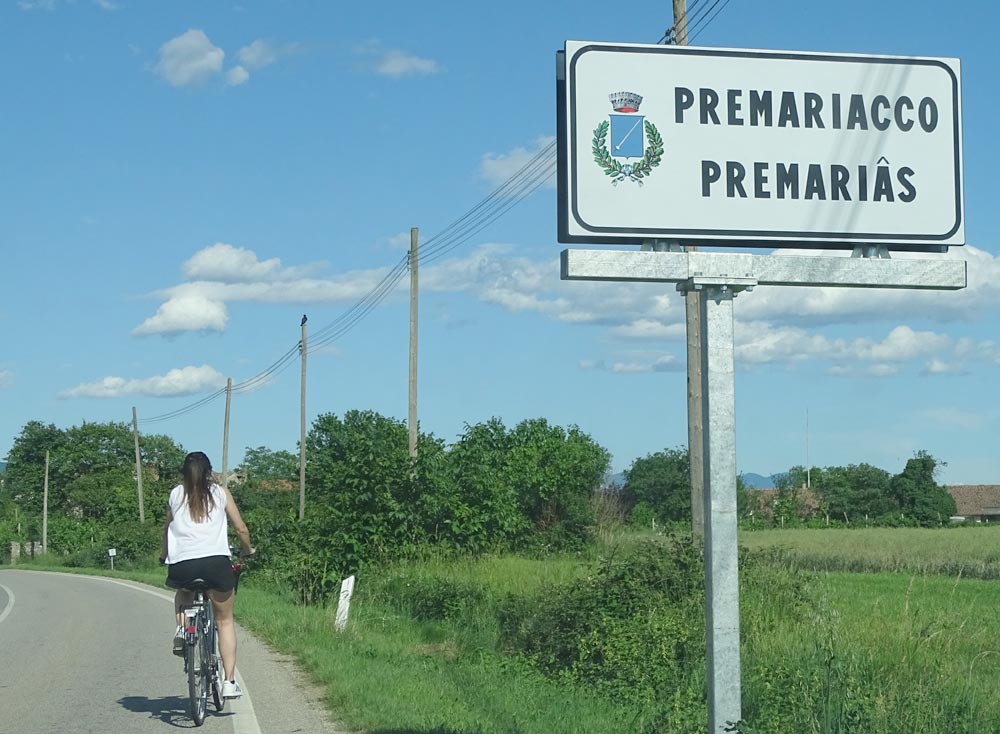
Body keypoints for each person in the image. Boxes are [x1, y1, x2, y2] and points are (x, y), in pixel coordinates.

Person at [160, 451, 254, 699]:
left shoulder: (175, 494)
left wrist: (164, 555)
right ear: (209, 472)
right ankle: (229, 682)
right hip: (215, 565)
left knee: (184, 592)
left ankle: (183, 630)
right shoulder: (221, 493)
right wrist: (248, 550)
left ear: (184, 473)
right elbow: (241, 528)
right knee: (225, 621)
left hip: (183, 565)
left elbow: (167, 528)